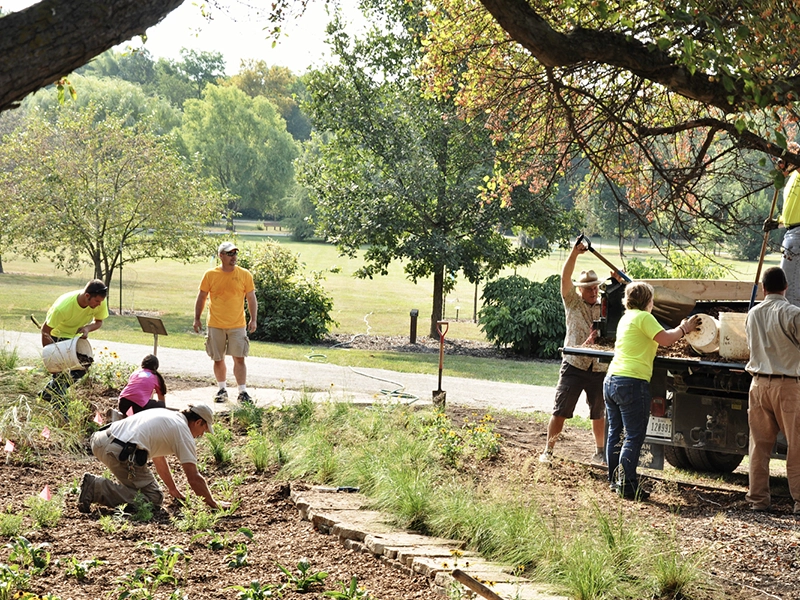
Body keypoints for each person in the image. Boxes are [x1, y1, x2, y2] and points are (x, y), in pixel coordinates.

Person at [603, 282, 699, 500]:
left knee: (615, 433)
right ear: (647, 301)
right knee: (634, 436)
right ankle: (627, 485)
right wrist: (684, 328)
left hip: (612, 379)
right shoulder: (644, 317)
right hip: (632, 382)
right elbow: (665, 339)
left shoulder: (626, 317)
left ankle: (614, 480)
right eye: (652, 300)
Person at [78, 404, 229, 512]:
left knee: (141, 491)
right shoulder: (183, 433)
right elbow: (193, 477)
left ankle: (102, 489)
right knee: (153, 498)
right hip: (118, 451)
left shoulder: (169, 415)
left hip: (100, 440)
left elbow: (158, 458)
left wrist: (172, 488)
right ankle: (96, 488)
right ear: (198, 422)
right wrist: (213, 504)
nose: (202, 435)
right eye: (204, 429)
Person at [540, 237, 607, 465]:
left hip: (599, 367)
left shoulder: (604, 307)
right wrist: (574, 253)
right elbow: (565, 278)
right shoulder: (572, 302)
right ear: (581, 290)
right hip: (574, 365)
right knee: (560, 410)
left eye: (596, 287)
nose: (594, 291)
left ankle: (600, 453)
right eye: (589, 288)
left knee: (599, 413)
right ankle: (548, 452)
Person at [745, 266, 800, 513]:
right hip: (787, 385)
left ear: (764, 289)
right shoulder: (792, 313)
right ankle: (799, 500)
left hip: (758, 384)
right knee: (796, 445)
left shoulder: (753, 313)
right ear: (786, 287)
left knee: (759, 445)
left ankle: (758, 499)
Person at [193, 242, 258, 404]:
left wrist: (253, 318)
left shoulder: (244, 274)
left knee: (240, 358)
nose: (233, 257)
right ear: (221, 255)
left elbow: (251, 298)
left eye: (235, 253)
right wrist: (197, 318)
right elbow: (201, 296)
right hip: (215, 324)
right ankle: (222, 390)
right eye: (230, 254)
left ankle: (242, 392)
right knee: (218, 358)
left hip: (238, 324)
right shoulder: (210, 274)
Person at [39, 279, 109, 403]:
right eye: (97, 301)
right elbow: (45, 330)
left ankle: (48, 392)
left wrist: (87, 328)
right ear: (87, 296)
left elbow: (99, 322)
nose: (99, 304)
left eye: (101, 301)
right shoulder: (63, 307)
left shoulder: (99, 301)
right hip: (56, 337)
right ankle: (61, 410)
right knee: (60, 376)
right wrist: (50, 356)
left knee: (83, 367)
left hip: (73, 338)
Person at [771, 141, 800, 307]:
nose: (780, 165)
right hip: (792, 232)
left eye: (783, 160)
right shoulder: (792, 180)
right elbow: (793, 210)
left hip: (797, 236)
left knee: (790, 293)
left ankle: (794, 330)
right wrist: (778, 223)